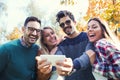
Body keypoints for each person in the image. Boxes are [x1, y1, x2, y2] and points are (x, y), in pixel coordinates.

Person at [36, 10, 96, 80]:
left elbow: (87, 57)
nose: (65, 25)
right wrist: (48, 66)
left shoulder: (88, 37)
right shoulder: (62, 45)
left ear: (75, 22)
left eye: (68, 22)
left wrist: (73, 65)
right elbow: (58, 60)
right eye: (62, 25)